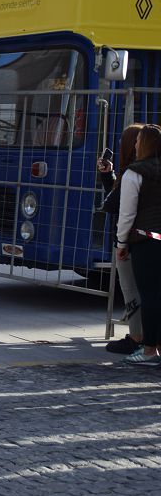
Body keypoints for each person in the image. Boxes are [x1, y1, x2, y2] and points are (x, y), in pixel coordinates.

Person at [116, 124, 161, 365]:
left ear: (143, 144)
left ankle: (149, 349)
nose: (134, 144)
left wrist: (122, 242)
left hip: (145, 240)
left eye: (137, 141)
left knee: (149, 296)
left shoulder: (134, 174)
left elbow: (127, 214)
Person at [100, 124, 145, 354]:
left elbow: (118, 207)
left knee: (131, 290)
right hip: (145, 240)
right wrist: (109, 176)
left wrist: (121, 243)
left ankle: (137, 338)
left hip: (132, 242)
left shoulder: (133, 173)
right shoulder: (146, 171)